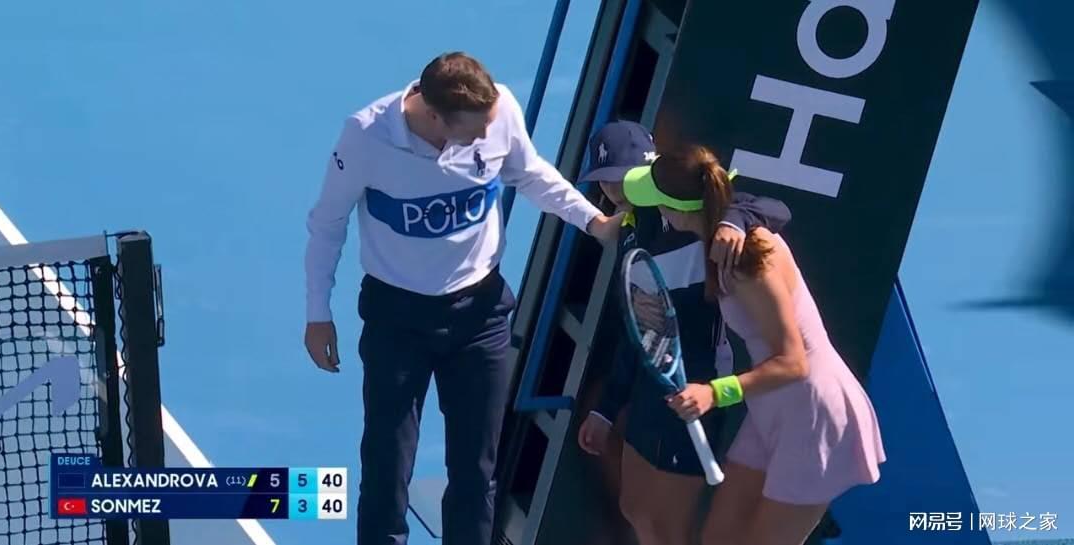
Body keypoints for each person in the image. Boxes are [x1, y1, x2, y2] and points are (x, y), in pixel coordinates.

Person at [302, 52, 622, 545]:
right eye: (474, 132)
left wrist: (593, 222)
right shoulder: (365, 136)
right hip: (396, 321)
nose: (484, 138)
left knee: (476, 470)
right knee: (387, 466)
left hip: (481, 315)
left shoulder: (498, 110)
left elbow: (529, 174)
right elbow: (328, 222)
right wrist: (317, 313)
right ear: (435, 118)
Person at [623, 144, 887, 545]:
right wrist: (734, 219)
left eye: (658, 201)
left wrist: (715, 393)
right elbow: (759, 205)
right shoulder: (725, 228)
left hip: (812, 412)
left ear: (675, 210)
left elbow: (794, 362)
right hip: (772, 407)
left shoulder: (748, 261)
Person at [574, 121, 792, 545]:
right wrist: (605, 410)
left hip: (698, 389)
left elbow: (776, 209)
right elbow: (637, 329)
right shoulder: (631, 233)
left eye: (618, 177)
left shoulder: (690, 207)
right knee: (635, 508)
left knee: (668, 527)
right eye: (603, 180)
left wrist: (734, 222)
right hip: (649, 393)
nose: (611, 190)